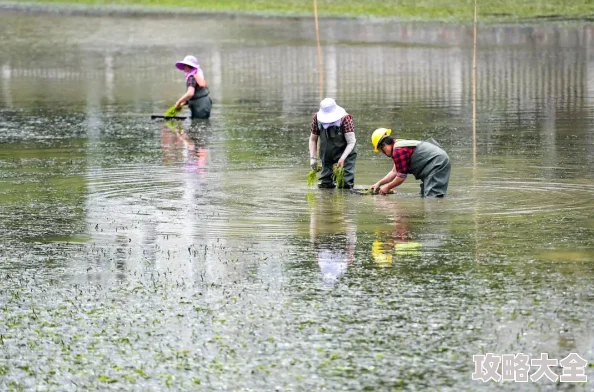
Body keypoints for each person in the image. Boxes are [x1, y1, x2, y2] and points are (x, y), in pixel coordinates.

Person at [370, 128, 451, 197]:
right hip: (435, 161)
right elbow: (394, 171)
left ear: (383, 145)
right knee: (425, 195)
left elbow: (401, 177)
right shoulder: (397, 145)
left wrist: (387, 187)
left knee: (433, 198)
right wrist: (379, 183)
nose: (383, 153)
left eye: (381, 151)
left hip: (437, 163)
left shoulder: (398, 151)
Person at [308, 98, 357, 189]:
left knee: (345, 184)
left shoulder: (345, 119)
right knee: (325, 184)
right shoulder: (317, 119)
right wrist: (313, 158)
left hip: (346, 152)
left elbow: (351, 142)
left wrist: (342, 159)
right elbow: (313, 140)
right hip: (327, 153)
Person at [174, 55, 212, 119]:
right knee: (202, 125)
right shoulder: (197, 74)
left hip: (200, 106)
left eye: (185, 65)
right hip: (205, 103)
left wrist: (179, 101)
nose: (183, 67)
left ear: (189, 66)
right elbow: (195, 93)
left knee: (199, 124)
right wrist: (184, 102)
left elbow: (190, 93)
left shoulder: (191, 77)